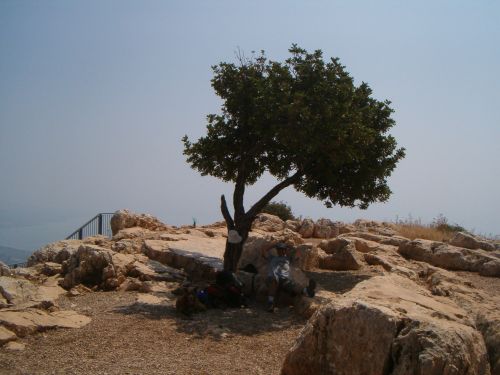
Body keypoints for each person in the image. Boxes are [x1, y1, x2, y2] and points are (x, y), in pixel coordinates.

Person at [261, 242, 316, 312]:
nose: (282, 251)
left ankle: (307, 291)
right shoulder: (272, 258)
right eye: (280, 249)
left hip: (284, 280)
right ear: (277, 250)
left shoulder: (288, 259)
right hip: (272, 278)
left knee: (292, 285)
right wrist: (274, 245)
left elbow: (298, 253)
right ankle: (270, 304)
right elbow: (263, 250)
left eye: (284, 249)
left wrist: (288, 246)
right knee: (274, 280)